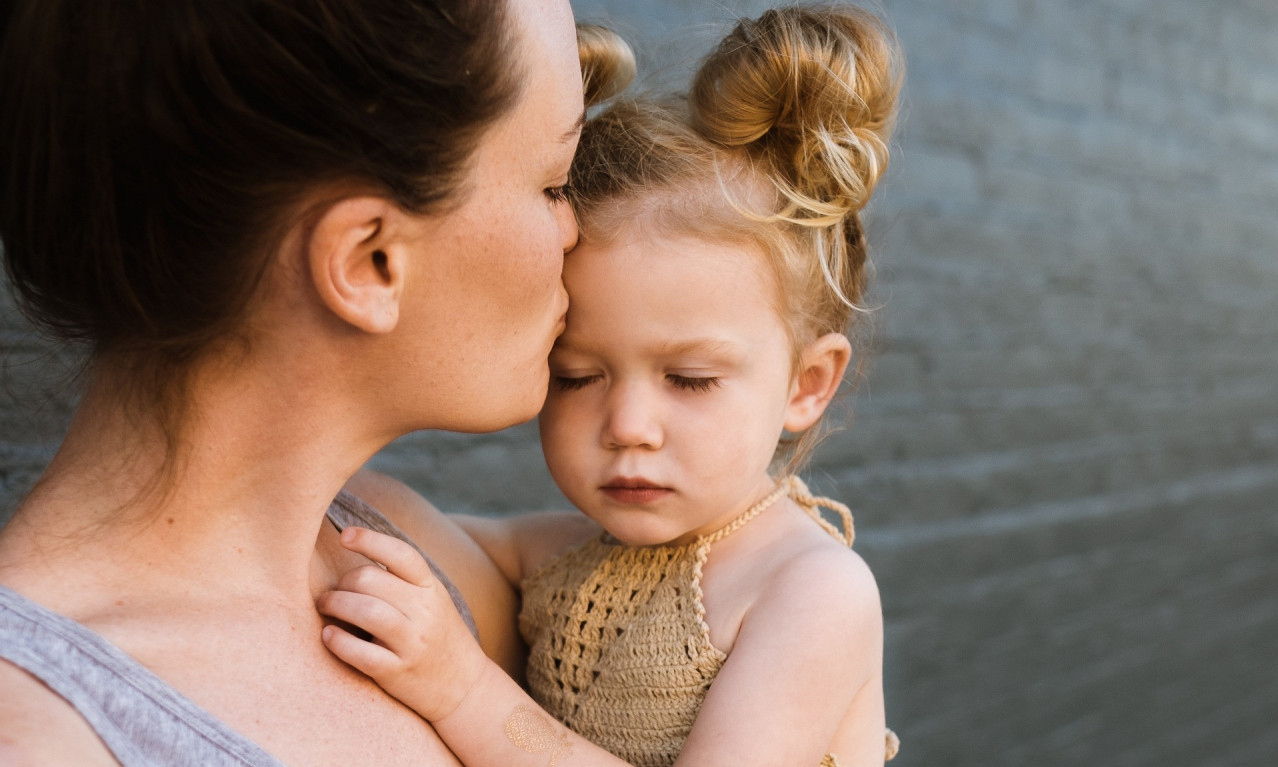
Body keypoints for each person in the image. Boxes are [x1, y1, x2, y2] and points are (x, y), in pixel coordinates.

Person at [0, 0, 630, 764]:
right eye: (554, 185)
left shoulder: (404, 548)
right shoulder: (39, 733)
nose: (575, 232)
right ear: (369, 261)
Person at [317, 5, 904, 766]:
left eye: (689, 379)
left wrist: (463, 690)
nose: (627, 424)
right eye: (577, 375)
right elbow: (413, 530)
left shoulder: (809, 590)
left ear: (807, 383)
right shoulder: (567, 556)